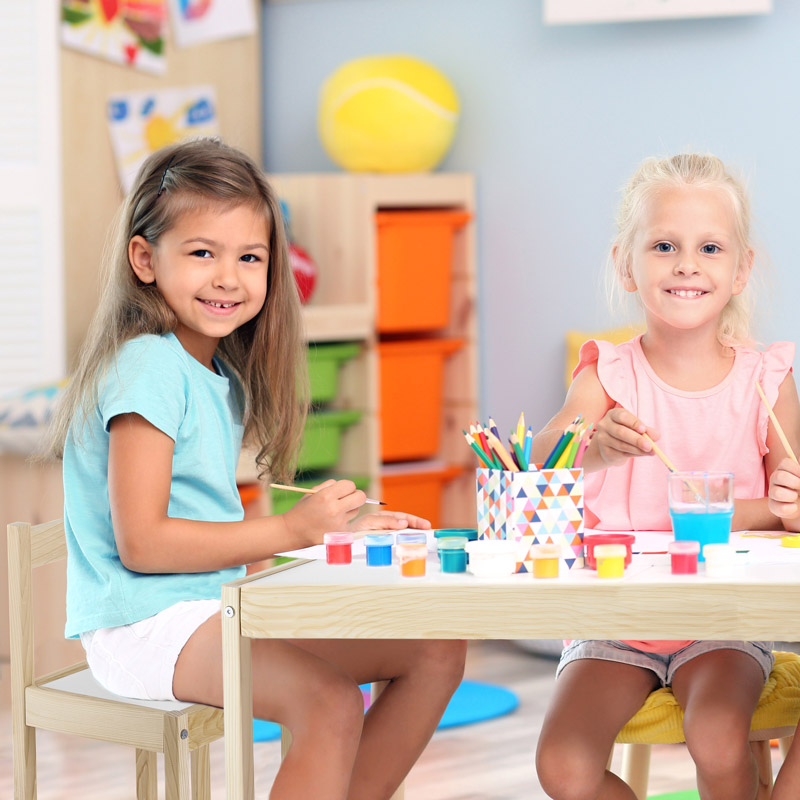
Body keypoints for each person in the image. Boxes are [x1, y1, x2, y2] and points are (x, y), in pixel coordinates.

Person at [48, 137, 466, 800]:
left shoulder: (213, 373)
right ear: (144, 259)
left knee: (435, 650)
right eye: (202, 253)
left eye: (250, 257)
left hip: (210, 609)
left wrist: (340, 531)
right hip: (147, 626)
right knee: (327, 701)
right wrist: (294, 533)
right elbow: (145, 542)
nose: (228, 276)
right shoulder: (148, 367)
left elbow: (218, 539)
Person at [530, 153, 800, 800]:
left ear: (741, 270)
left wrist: (784, 505)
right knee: (562, 767)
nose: (686, 263)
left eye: (710, 247)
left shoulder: (765, 378)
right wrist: (590, 448)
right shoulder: (607, 373)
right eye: (663, 246)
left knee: (717, 738)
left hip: (720, 618)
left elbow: (791, 495)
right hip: (614, 622)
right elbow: (537, 459)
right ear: (626, 263)